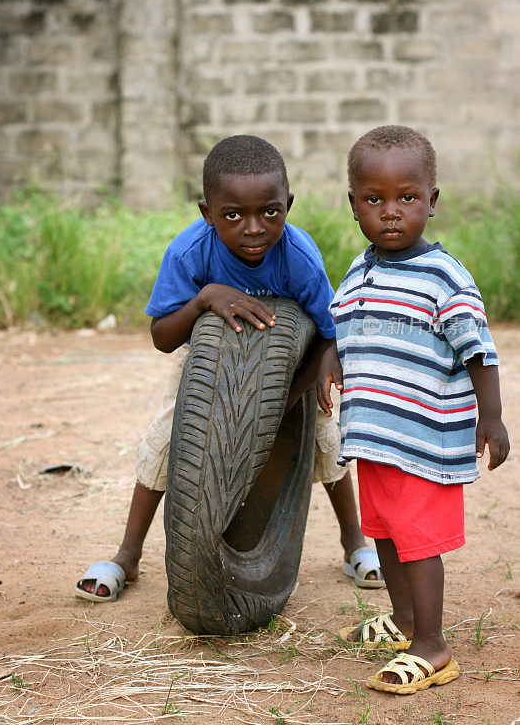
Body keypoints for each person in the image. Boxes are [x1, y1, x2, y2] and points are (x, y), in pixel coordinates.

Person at [75, 134, 383, 603]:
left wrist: (290, 394)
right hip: (206, 369)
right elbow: (162, 338)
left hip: (292, 366)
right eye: (233, 216)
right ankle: (128, 555)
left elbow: (328, 331)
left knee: (325, 445)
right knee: (167, 442)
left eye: (271, 212)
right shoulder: (189, 252)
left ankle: (353, 544)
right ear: (207, 212)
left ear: (289, 206)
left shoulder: (297, 256)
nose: (254, 228)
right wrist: (203, 298)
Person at [317, 125, 509, 694]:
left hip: (423, 441)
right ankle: (404, 622)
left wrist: (491, 417)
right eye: (375, 200)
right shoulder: (360, 268)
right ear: (354, 205)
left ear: (432, 201)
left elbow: (479, 348)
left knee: (418, 544)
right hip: (374, 439)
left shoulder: (443, 276)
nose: (391, 212)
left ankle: (433, 645)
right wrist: (331, 355)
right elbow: (345, 322)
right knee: (386, 535)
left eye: (407, 198)